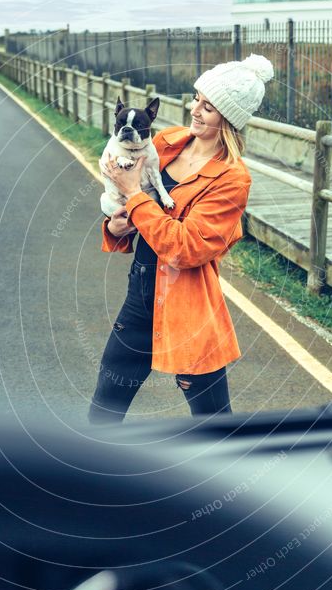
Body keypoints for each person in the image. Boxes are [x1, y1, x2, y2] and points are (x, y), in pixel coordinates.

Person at [88, 53, 274, 423]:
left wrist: (136, 197)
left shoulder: (232, 179)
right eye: (197, 99)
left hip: (187, 307)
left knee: (213, 421)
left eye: (210, 106)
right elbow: (130, 205)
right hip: (139, 300)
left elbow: (185, 247)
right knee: (103, 414)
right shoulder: (167, 141)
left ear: (230, 118)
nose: (196, 110)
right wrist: (114, 228)